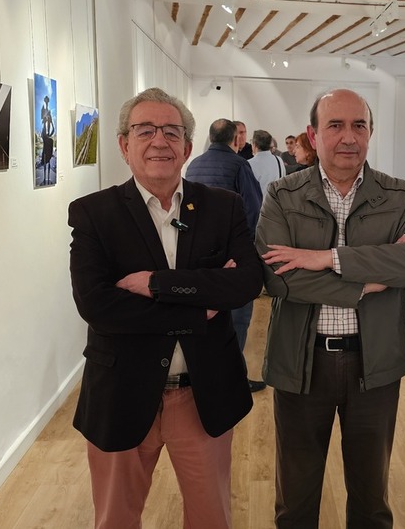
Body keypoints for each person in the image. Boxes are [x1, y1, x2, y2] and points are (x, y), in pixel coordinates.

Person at [68, 87, 261, 528]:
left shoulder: (221, 207)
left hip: (202, 391)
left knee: (211, 518)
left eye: (172, 132)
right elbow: (98, 305)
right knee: (115, 519)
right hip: (122, 392)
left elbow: (247, 282)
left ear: (188, 148)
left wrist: (157, 284)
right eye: (145, 130)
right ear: (123, 144)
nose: (160, 141)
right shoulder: (94, 214)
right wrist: (199, 308)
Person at [255, 88, 405, 528]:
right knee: (295, 501)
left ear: (371, 133)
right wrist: (365, 284)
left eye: (359, 125)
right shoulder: (282, 194)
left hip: (374, 364)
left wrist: (327, 259)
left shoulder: (397, 193)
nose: (348, 136)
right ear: (313, 136)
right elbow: (278, 276)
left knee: (372, 500)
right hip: (302, 362)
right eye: (335, 125)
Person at [185, 118, 267, 392]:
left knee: (205, 314)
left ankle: (204, 376)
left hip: (196, 255)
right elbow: (254, 210)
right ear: (236, 140)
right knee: (239, 316)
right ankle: (233, 378)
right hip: (232, 253)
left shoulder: (194, 164)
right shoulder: (239, 165)